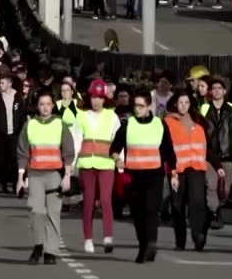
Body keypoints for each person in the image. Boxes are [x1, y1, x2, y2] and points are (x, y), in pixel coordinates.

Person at [112, 90, 175, 263]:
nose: (137, 109)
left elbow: (169, 151)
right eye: (135, 106)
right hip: (133, 176)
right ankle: (143, 246)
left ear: (149, 106)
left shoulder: (159, 124)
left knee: (151, 210)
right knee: (138, 214)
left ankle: (152, 244)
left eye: (141, 106)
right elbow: (114, 148)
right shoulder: (128, 124)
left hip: (154, 174)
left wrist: (174, 173)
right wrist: (117, 159)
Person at [16, 89, 74, 265]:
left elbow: (68, 152)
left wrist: (67, 176)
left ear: (53, 105)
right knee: (36, 211)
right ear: (37, 106)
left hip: (54, 174)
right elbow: (23, 153)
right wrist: (20, 178)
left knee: (53, 214)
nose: (45, 107)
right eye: (42, 104)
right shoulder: (30, 125)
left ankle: (51, 252)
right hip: (35, 175)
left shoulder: (60, 124)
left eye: (48, 104)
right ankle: (38, 245)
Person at [75, 79, 119, 254]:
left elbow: (117, 141)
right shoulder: (81, 116)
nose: (96, 101)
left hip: (107, 163)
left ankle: (108, 237)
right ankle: (88, 239)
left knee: (106, 201)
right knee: (89, 202)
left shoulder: (112, 116)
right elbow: (77, 140)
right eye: (94, 97)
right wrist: (72, 166)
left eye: (100, 97)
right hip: (87, 163)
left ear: (104, 99)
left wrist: (120, 161)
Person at [165, 92, 213, 251]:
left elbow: (208, 148)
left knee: (197, 202)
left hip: (197, 168)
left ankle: (198, 235)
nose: (184, 105)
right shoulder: (167, 122)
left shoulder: (199, 123)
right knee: (177, 204)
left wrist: (218, 167)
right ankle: (180, 240)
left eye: (187, 102)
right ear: (175, 104)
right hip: (176, 170)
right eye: (180, 102)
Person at [200, 76, 232, 229]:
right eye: (213, 88)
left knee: (226, 188)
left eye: (219, 88)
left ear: (224, 91)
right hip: (209, 154)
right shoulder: (204, 108)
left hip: (227, 155)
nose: (216, 91)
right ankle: (213, 212)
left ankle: (217, 206)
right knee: (212, 183)